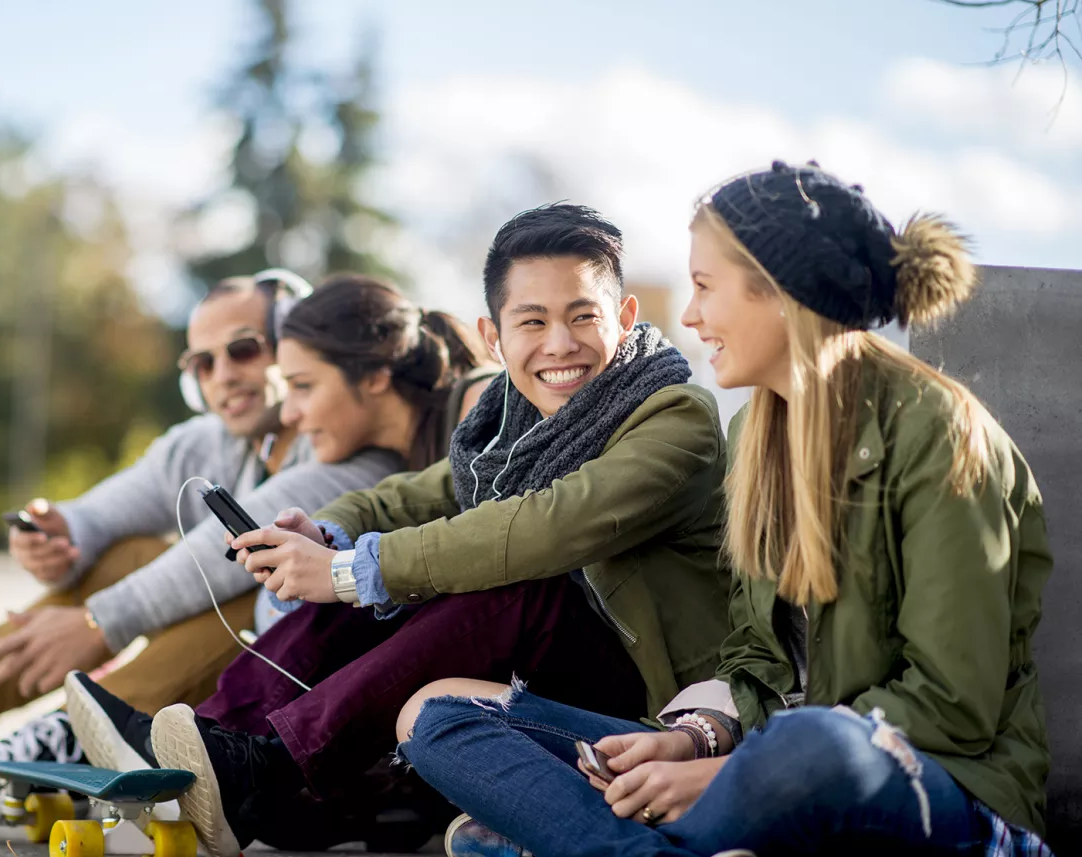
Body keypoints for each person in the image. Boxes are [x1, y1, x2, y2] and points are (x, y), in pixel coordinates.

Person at [397, 162, 1054, 857]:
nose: (689, 314)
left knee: (813, 742)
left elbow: (952, 704)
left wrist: (724, 774)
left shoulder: (940, 433)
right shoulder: (757, 434)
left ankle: (583, 838)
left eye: (706, 286)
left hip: (936, 791)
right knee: (439, 713)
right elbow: (755, 662)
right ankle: (643, 841)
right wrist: (686, 740)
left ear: (780, 293)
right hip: (766, 762)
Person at [66, 204, 732, 857]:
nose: (560, 343)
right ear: (495, 335)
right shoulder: (512, 419)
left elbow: (544, 527)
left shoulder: (676, 416)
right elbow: (415, 494)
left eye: (583, 315)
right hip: (554, 672)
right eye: (533, 320)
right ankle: (212, 741)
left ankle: (263, 769)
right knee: (379, 566)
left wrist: (348, 571)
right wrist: (329, 531)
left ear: (624, 316)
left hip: (656, 711)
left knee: (499, 581)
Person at [0, 270, 402, 798]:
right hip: (272, 660)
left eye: (242, 349)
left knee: (235, 576)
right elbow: (103, 511)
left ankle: (71, 737)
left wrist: (97, 625)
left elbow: (224, 549)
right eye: (200, 363)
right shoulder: (207, 441)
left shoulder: (347, 445)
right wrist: (60, 535)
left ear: (291, 347)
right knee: (124, 552)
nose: (221, 375)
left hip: (329, 683)